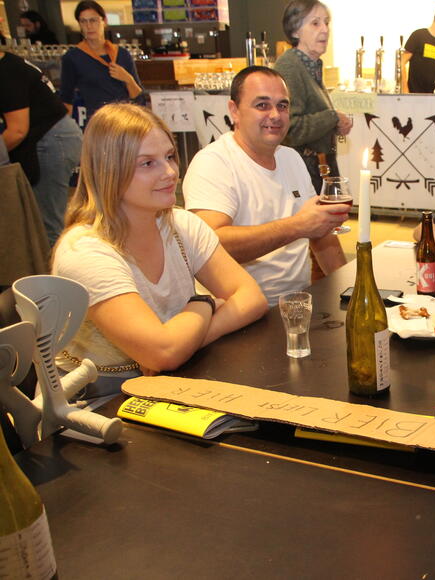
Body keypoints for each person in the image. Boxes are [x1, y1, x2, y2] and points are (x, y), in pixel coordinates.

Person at [52, 103, 267, 397]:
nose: (170, 172)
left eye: (169, 157)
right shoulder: (85, 251)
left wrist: (189, 342)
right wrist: (205, 303)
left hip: (171, 378)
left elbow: (252, 298)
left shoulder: (181, 224)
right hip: (94, 398)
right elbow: (162, 353)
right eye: (147, 163)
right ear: (109, 170)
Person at [182, 66, 348, 306]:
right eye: (262, 105)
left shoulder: (291, 158)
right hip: (239, 312)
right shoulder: (214, 163)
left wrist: (349, 292)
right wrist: (298, 226)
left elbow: (320, 234)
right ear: (234, 111)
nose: (275, 115)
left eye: (282, 105)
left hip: (298, 304)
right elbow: (210, 244)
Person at [0, 49, 82, 245]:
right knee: (44, 222)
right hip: (55, 138)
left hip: (50, 142)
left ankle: (54, 263)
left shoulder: (7, 71)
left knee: (46, 226)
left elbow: (17, 130)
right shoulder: (12, 64)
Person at [273, 0, 352, 193]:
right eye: (315, 23)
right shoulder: (290, 66)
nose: (325, 29)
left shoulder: (310, 65)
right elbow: (290, 129)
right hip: (305, 173)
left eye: (326, 22)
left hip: (319, 168)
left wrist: (334, 124)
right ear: (295, 31)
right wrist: (332, 117)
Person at [60, 1, 143, 124]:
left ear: (104, 21)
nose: (89, 26)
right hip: (97, 122)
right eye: (83, 21)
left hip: (125, 121)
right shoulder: (73, 57)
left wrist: (127, 78)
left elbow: (139, 98)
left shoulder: (121, 54)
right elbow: (66, 99)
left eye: (93, 20)